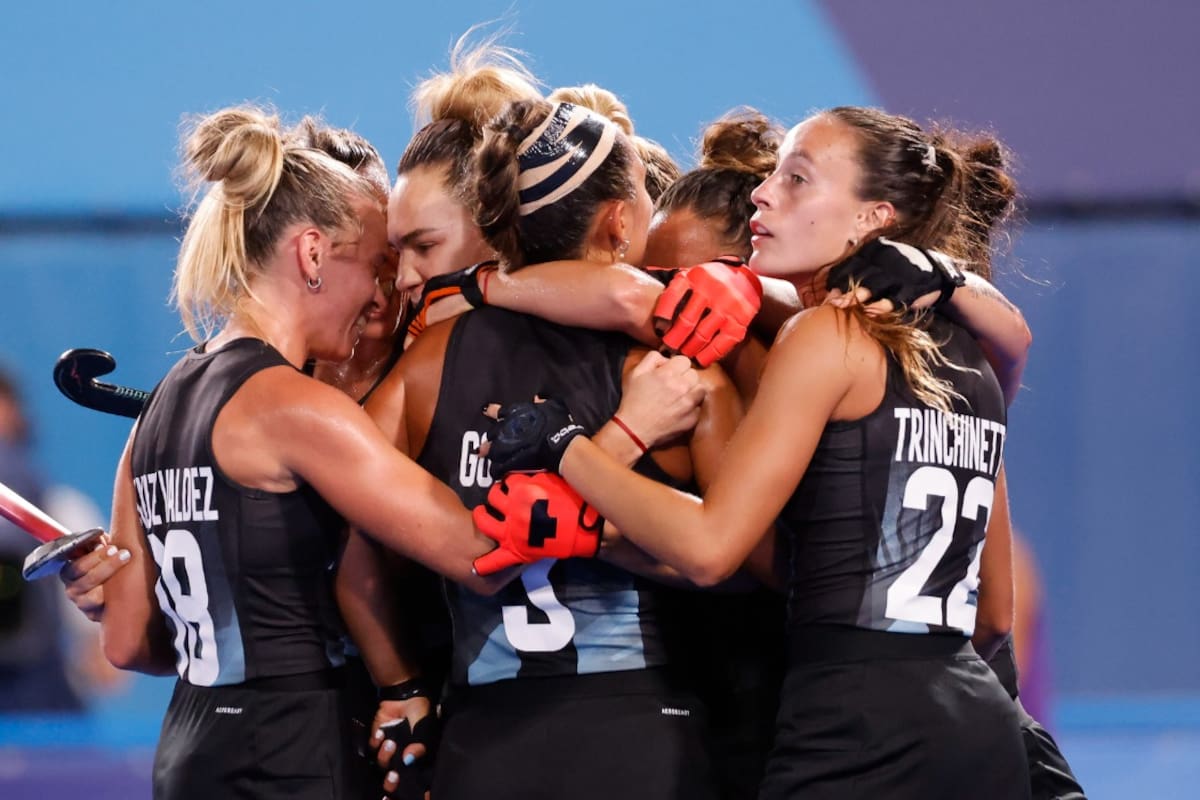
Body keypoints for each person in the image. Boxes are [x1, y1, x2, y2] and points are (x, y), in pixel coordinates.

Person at [475, 106, 1035, 798]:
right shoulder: (973, 358)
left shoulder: (824, 338)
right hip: (978, 726)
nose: (764, 193)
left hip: (853, 723)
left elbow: (712, 549)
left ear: (873, 218)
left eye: (797, 179)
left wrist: (563, 447)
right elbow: (994, 617)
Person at [83, 104, 563, 800]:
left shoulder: (157, 409)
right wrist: (611, 445)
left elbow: (128, 641)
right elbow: (478, 554)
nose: (381, 292)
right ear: (311, 254)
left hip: (190, 750)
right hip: (294, 748)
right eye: (374, 266)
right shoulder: (294, 407)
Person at [347, 97, 746, 800]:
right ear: (621, 220)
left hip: (485, 745)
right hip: (649, 741)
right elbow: (757, 567)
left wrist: (399, 684)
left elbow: (348, 545)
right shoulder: (680, 368)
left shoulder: (422, 369)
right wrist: (610, 529)